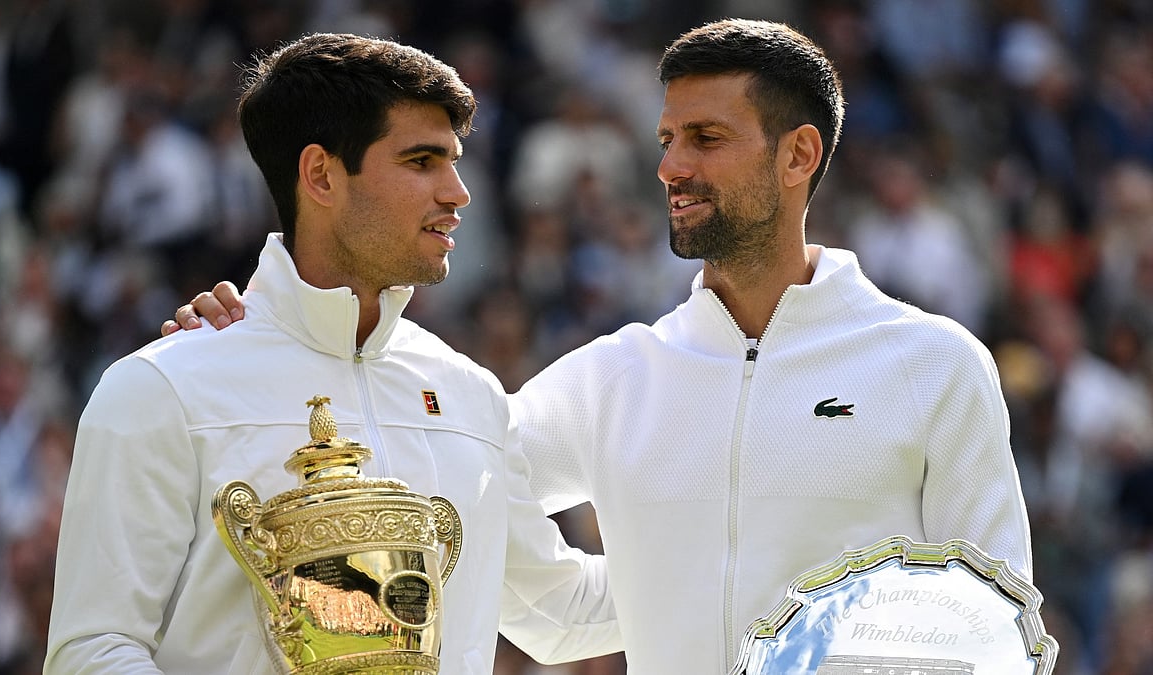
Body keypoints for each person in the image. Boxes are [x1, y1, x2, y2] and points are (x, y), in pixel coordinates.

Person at [167, 20, 1034, 674]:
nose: (670, 167)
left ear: (798, 154)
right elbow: (413, 452)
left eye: (706, 139)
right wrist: (266, 349)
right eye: (666, 140)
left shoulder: (934, 366)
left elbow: (1000, 632)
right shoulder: (612, 377)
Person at [46, 33, 621, 675]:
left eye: (453, 162)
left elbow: (559, 610)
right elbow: (92, 651)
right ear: (321, 174)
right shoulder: (162, 389)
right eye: (421, 161)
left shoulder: (470, 393)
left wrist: (726, 550)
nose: (458, 193)